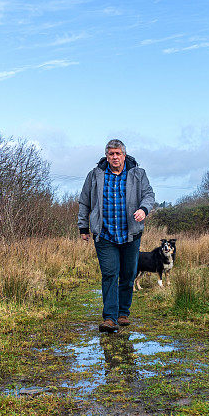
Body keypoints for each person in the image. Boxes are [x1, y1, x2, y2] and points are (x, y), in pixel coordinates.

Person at [78, 139, 155, 333]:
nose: (114, 157)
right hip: (104, 235)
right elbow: (84, 201)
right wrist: (83, 228)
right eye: (111, 154)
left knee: (128, 275)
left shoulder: (138, 174)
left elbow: (149, 195)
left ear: (124, 155)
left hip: (131, 234)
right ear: (107, 156)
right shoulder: (95, 175)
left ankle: (123, 313)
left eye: (118, 153)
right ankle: (110, 318)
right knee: (110, 274)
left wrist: (144, 209)